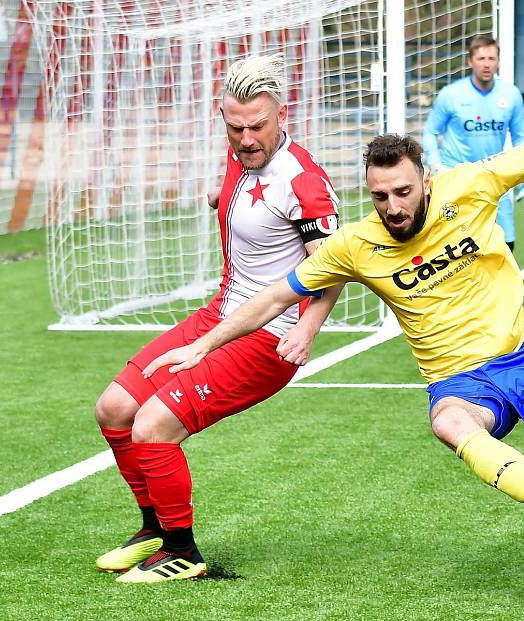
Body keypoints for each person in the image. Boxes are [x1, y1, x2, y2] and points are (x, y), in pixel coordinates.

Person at [143, 44, 524, 595]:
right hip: (460, 383)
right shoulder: (356, 244)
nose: (392, 206)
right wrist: (204, 344)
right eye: (379, 197)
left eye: (402, 191)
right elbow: (274, 296)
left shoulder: (471, 186)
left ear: (425, 178)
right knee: (448, 423)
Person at [93, 53, 343, 583]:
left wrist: (307, 328)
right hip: (220, 313)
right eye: (235, 127)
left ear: (282, 115)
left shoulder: (307, 184)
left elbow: (332, 269)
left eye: (258, 126)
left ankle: (182, 551)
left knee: (153, 426)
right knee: (114, 408)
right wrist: (220, 196)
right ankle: (154, 527)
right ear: (223, 117)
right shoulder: (240, 157)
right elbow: (245, 199)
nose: (247, 138)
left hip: (269, 336)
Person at [422, 34, 524, 252]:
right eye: (481, 58)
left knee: (505, 245)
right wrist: (436, 165)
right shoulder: (451, 95)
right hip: (455, 181)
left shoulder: (511, 95)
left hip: (494, 180)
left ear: (498, 62)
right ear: (470, 61)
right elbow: (430, 132)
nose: (487, 64)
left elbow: (520, 139)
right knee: (452, 250)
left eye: (491, 59)